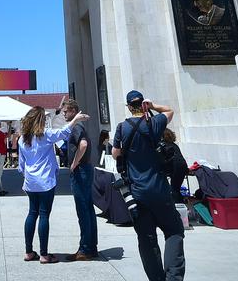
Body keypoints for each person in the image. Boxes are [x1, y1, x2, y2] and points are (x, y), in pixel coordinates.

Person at [113, 91, 184, 281]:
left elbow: (115, 153)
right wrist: (152, 107)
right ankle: (174, 277)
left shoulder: (122, 127)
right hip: (160, 189)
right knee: (173, 231)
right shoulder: (154, 123)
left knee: (146, 239)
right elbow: (169, 111)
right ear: (142, 105)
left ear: (128, 106)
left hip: (137, 192)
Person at [17, 105, 89, 265]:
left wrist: (27, 175)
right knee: (44, 215)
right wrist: (76, 119)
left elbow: (21, 164)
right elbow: (63, 132)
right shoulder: (46, 135)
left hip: (30, 182)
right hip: (45, 181)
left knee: (31, 213)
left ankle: (28, 252)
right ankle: (44, 254)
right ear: (41, 121)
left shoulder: (22, 139)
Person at [59, 97, 98, 261]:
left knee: (83, 210)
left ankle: (85, 249)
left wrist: (74, 163)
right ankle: (91, 246)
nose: (63, 114)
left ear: (73, 111)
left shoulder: (76, 126)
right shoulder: (78, 126)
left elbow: (83, 145)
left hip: (81, 170)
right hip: (86, 169)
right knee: (88, 209)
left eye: (65, 111)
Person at [161, 129, 189, 203]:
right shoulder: (174, 145)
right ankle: (180, 202)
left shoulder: (165, 146)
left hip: (175, 168)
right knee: (176, 188)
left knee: (174, 189)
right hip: (182, 168)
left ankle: (178, 205)